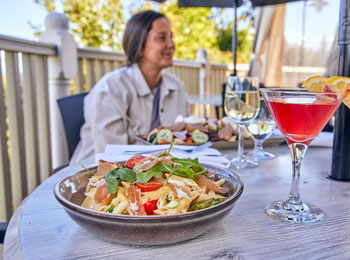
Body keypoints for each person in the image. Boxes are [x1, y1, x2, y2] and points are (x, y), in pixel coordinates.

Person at [71, 10, 190, 162]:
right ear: (139, 46)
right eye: (162, 38)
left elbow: (185, 141)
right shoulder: (110, 89)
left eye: (171, 37)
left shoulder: (177, 87)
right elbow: (112, 157)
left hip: (156, 174)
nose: (171, 45)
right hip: (96, 175)